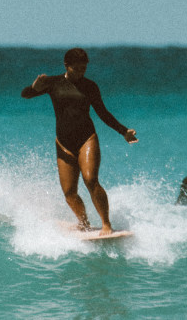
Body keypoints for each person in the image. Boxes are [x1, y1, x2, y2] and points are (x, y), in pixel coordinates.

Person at [21, 48, 138, 236]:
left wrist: (123, 131)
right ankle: (83, 223)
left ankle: (106, 224)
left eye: (84, 68)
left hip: (86, 138)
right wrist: (35, 87)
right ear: (67, 66)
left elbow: (103, 113)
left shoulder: (90, 86)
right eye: (77, 68)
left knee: (91, 180)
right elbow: (25, 95)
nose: (81, 72)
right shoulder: (53, 83)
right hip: (63, 142)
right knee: (69, 193)